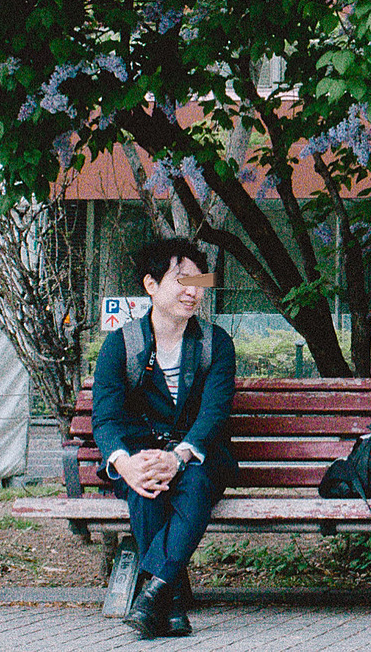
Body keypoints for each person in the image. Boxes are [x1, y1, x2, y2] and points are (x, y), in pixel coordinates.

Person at [91, 238, 237, 640]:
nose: (193, 290)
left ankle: (152, 591)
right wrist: (125, 463)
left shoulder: (215, 343)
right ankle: (169, 603)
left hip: (200, 456)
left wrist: (181, 455)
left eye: (199, 280)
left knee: (195, 482)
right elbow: (105, 418)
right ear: (151, 285)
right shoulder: (121, 344)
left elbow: (214, 413)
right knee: (146, 487)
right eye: (181, 280)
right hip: (140, 455)